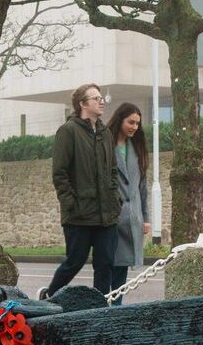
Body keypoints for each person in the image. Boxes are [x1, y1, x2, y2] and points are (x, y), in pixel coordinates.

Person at [42, 83, 120, 300]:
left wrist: (115, 199)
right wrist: (71, 205)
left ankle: (99, 308)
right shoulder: (68, 131)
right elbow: (60, 174)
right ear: (83, 104)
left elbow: (113, 169)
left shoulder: (105, 133)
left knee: (105, 264)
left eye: (101, 97)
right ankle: (49, 297)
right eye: (96, 98)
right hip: (79, 215)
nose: (101, 101)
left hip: (106, 215)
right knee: (74, 262)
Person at [107, 102, 150, 305]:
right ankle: (104, 306)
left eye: (137, 123)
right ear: (120, 120)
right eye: (130, 122)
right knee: (107, 265)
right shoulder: (105, 144)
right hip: (110, 216)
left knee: (122, 265)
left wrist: (146, 218)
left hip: (132, 217)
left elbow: (143, 188)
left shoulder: (137, 148)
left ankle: (116, 306)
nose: (134, 127)